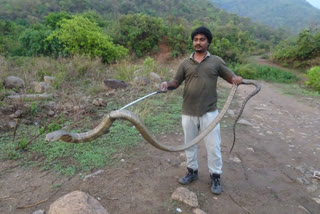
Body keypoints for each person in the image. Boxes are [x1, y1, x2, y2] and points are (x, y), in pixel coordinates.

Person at [160, 26, 242, 195]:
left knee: (213, 146)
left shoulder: (216, 61)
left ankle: (215, 176)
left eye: (202, 39)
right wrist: (167, 85)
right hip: (188, 111)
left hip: (209, 112)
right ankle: (191, 171)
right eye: (195, 39)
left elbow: (231, 77)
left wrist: (236, 79)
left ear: (208, 42)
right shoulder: (185, 63)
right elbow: (175, 82)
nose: (198, 42)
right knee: (189, 144)